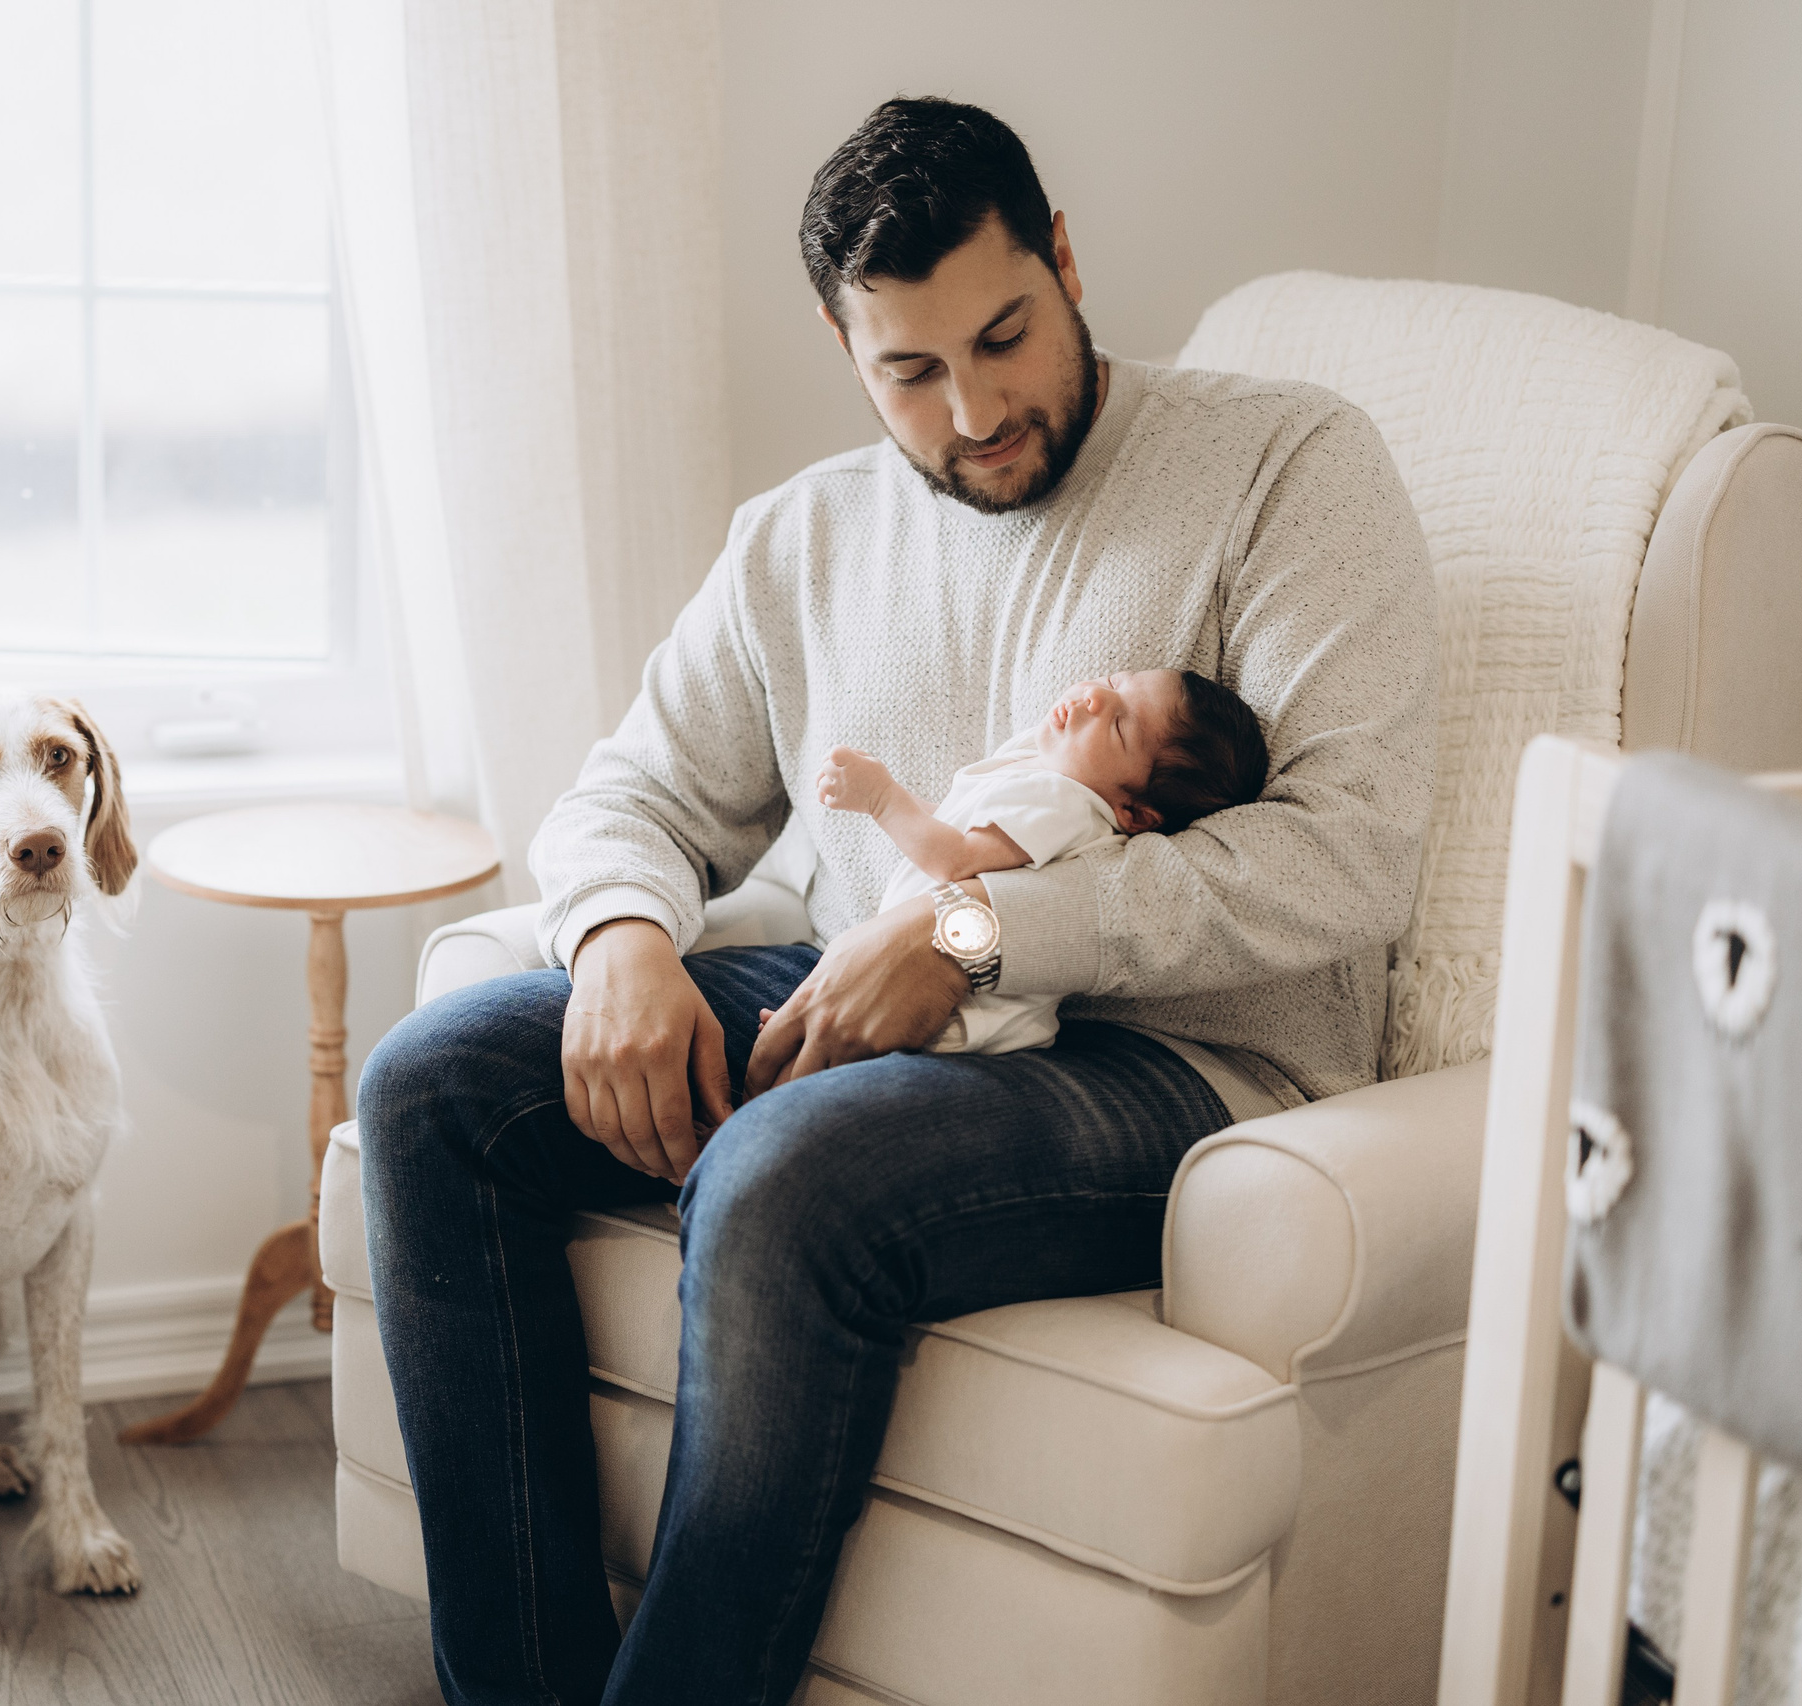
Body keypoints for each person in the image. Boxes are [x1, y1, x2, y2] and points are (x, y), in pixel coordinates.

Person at [357, 94, 1437, 1706]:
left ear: (1067, 261)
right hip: (855, 998)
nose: (977, 408)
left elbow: (1350, 853)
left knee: (787, 1173)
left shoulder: (1287, 462)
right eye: (912, 371)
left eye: (1005, 335)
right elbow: (627, 794)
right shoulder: (800, 537)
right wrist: (624, 940)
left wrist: (972, 932)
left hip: (1176, 1069)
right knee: (431, 1083)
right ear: (844, 345)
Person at [814, 666, 1270, 1055]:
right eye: (1114, 682)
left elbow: (955, 861)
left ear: (1134, 813)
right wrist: (898, 799)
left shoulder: (1066, 804)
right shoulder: (1040, 770)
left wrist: (882, 799)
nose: (1094, 697)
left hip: (961, 1026)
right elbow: (958, 830)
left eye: (1118, 726)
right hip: (915, 993)